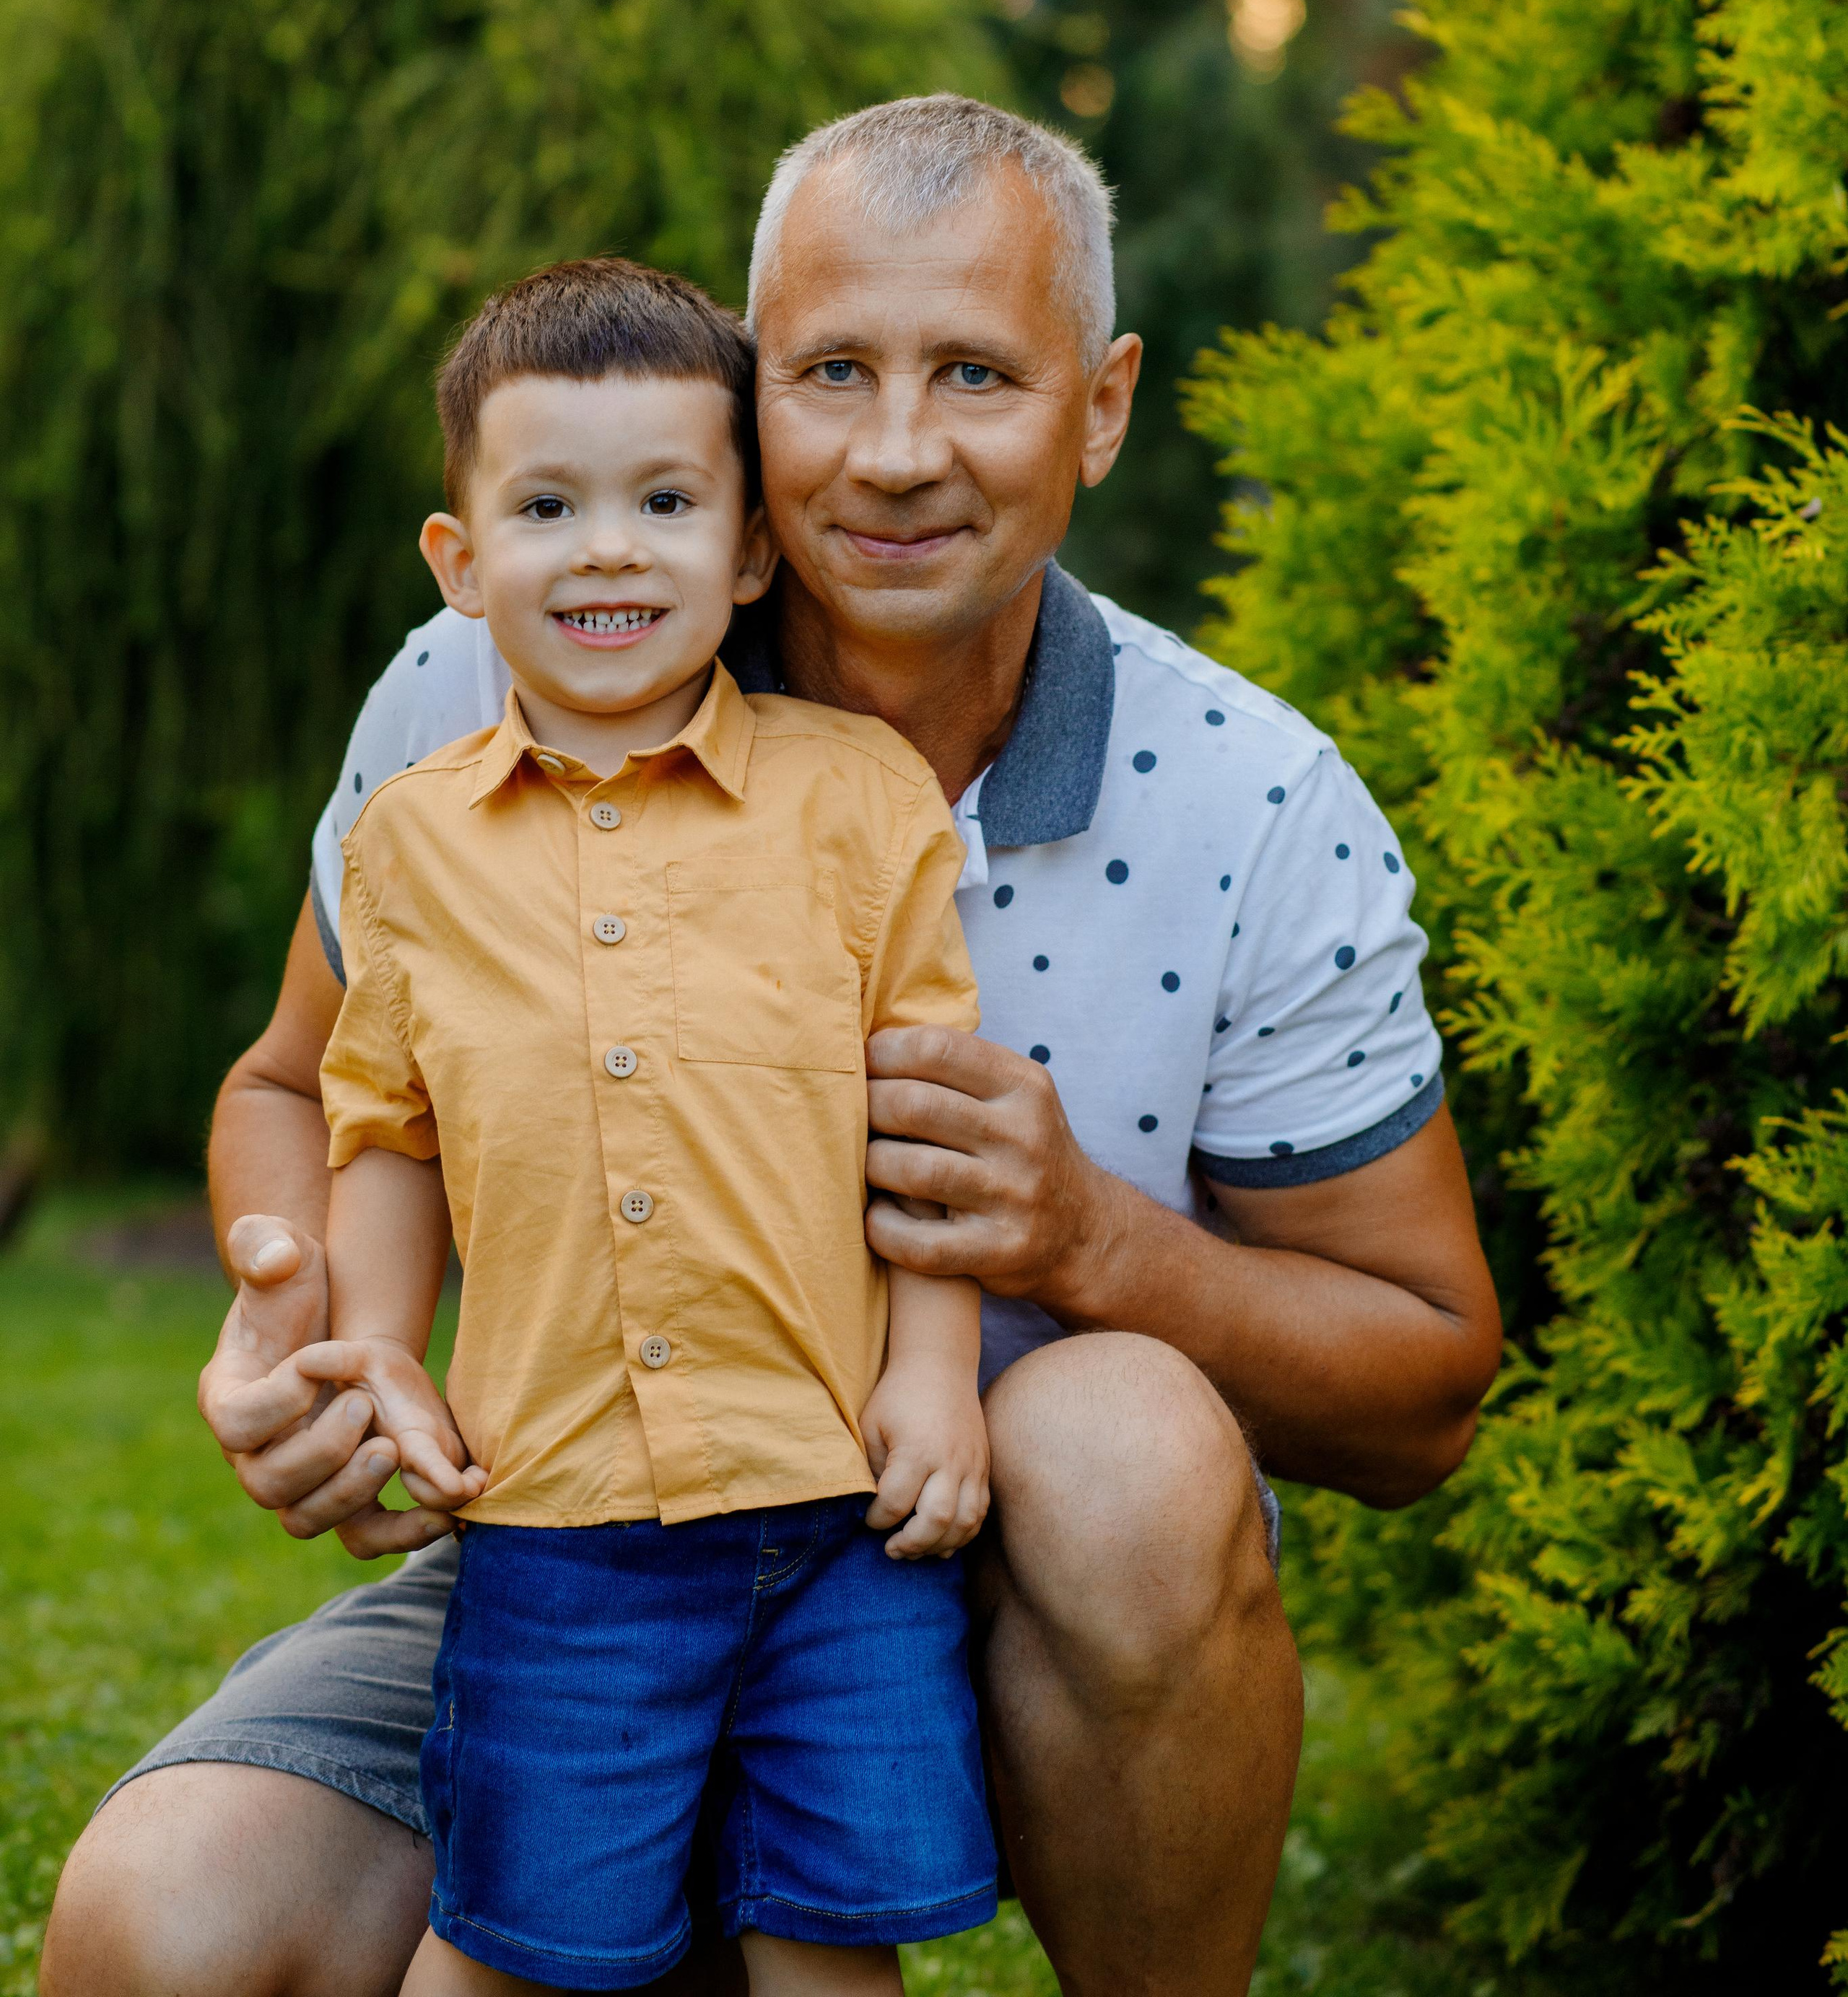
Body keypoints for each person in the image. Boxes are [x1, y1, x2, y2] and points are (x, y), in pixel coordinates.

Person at [43, 97, 1503, 1997]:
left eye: (976, 372)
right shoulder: (508, 677)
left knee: (1123, 1446)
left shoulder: (1256, 804)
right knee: (153, 1931)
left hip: (999, 1570)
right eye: (831, 373)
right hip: (593, 1539)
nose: (896, 456)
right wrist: (309, 1321)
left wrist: (1088, 1244)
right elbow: (292, 1092)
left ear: (1105, 403)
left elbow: (1428, 1383)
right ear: (750, 398)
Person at [281, 253, 999, 1993]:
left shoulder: (856, 799)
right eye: (548, 505)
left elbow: (931, 1123)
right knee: (524, 1934)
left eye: (666, 501)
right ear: (461, 563)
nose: (609, 548)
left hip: (836, 1514)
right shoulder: (413, 844)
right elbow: (383, 1129)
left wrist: (930, 1374)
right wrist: (376, 1351)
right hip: (555, 1520)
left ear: (749, 548)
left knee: (835, 1935)